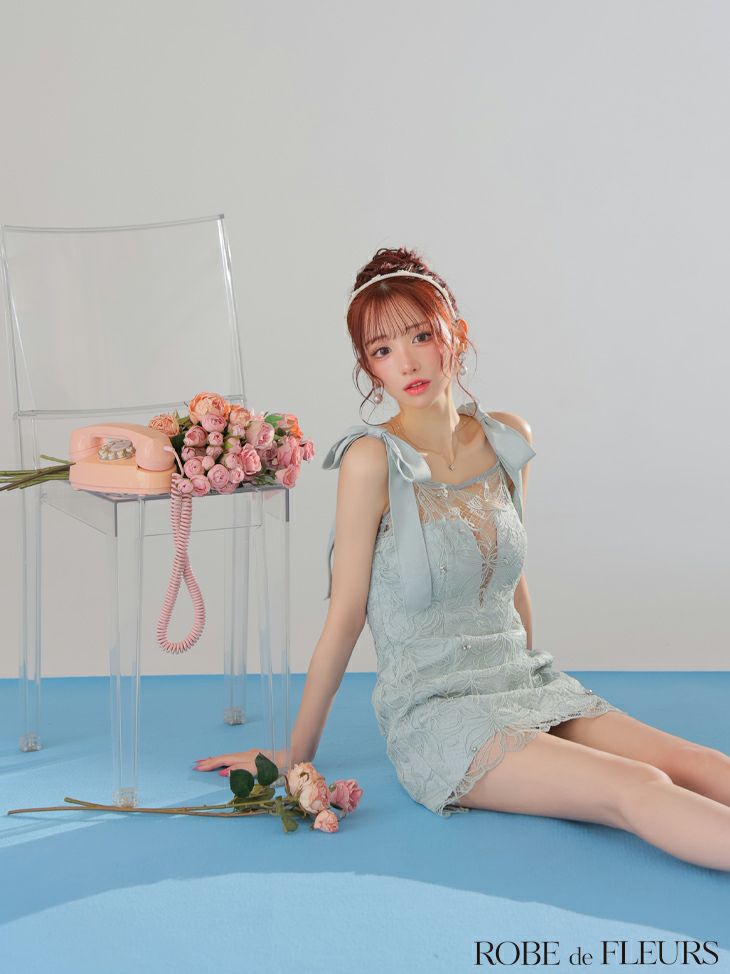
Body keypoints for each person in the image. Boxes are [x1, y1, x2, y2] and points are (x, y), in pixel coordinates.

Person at [195, 246, 730, 870]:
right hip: (439, 715)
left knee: (697, 763)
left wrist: (534, 689)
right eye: (382, 350)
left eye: (421, 335)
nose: (407, 362)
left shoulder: (507, 438)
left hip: (523, 683)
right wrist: (297, 752)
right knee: (635, 787)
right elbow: (344, 619)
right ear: (368, 367)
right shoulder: (372, 461)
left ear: (457, 334)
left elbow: (512, 581)